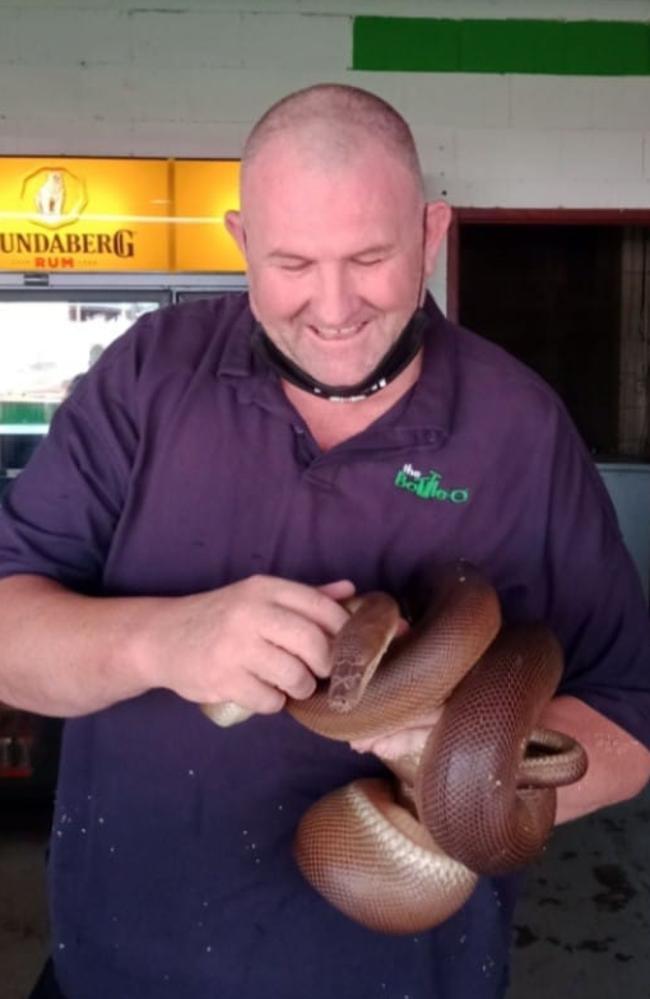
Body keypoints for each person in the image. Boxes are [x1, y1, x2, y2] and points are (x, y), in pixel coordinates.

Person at [0, 84, 649, 999]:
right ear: (240, 243)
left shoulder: (516, 427)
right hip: (117, 973)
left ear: (430, 233)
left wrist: (462, 769)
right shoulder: (149, 379)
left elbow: (628, 716)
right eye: (293, 262)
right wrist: (163, 640)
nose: (333, 306)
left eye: (372, 257)